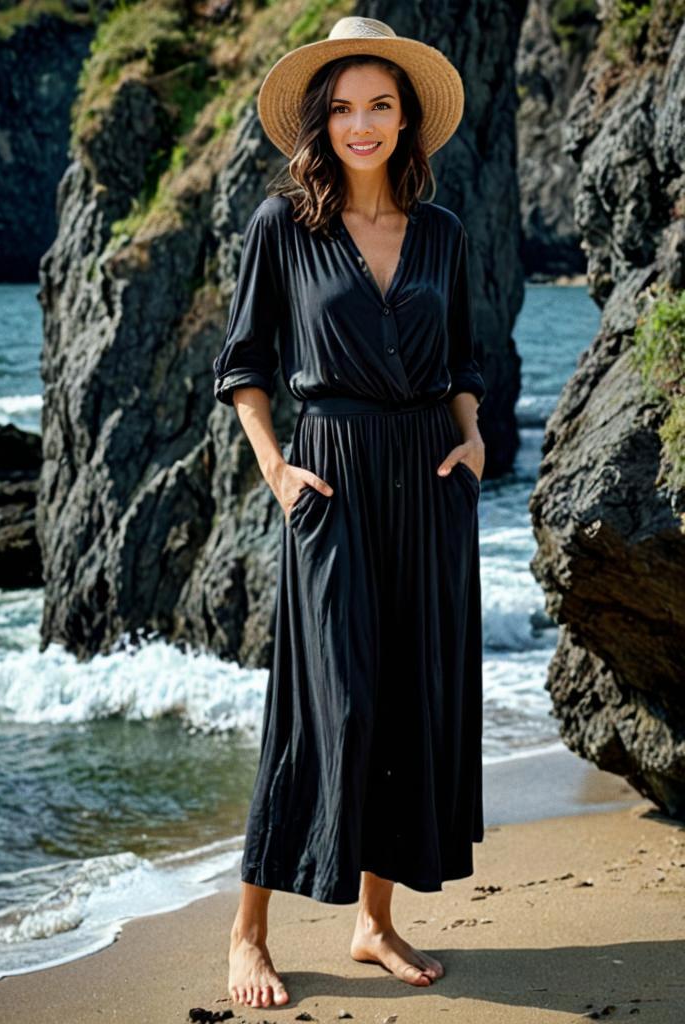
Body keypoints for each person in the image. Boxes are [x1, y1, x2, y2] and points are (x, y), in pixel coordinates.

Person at [212, 16, 486, 1011]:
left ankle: (373, 922)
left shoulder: (446, 233)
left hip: (431, 474)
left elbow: (465, 354)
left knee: (409, 693)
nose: (360, 125)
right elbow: (244, 365)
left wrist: (473, 434)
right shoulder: (280, 227)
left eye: (379, 106)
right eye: (342, 108)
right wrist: (279, 470)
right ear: (319, 123)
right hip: (328, 473)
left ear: (407, 117)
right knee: (323, 704)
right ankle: (249, 931)